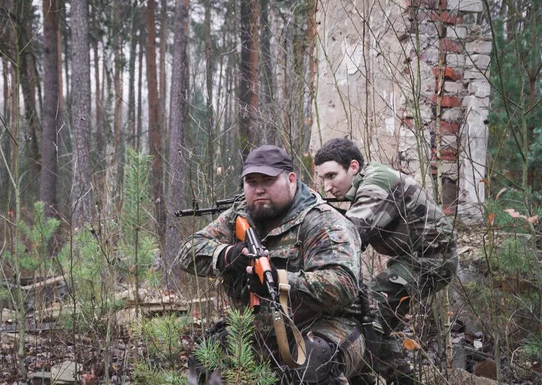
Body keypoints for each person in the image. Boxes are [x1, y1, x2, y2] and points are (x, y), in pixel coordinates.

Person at [178, 145, 369, 384]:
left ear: (290, 179)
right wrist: (227, 255)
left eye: (267, 181)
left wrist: (281, 281)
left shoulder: (322, 221)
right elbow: (188, 251)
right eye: (251, 182)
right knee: (204, 359)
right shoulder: (239, 215)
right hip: (258, 327)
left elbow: (343, 285)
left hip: (325, 326)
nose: (259, 190)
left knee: (311, 364)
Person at [315, 138, 459, 382]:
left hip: (433, 261)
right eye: (323, 179)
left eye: (331, 176)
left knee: (369, 312)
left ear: (353, 167)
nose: (327, 187)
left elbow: (350, 237)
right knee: (374, 319)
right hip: (413, 258)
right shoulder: (367, 181)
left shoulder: (377, 183)